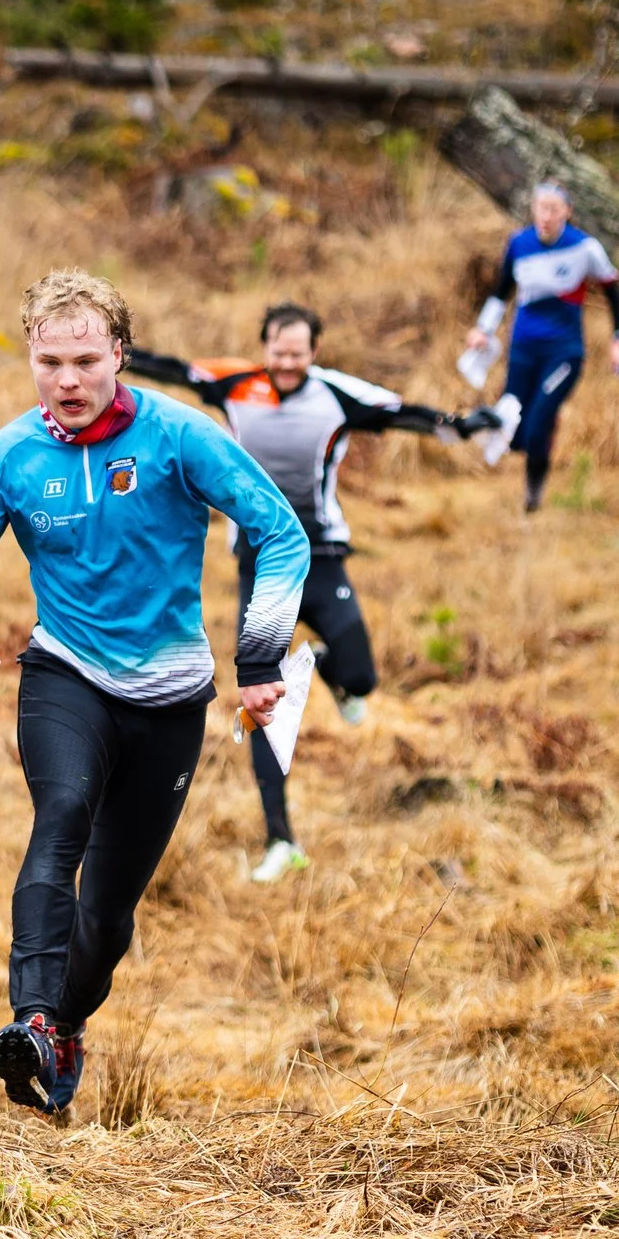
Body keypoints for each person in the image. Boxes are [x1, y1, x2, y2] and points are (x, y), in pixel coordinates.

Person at [0, 270, 309, 1119]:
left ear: (119, 355)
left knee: (106, 912)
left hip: (171, 698)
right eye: (50, 360)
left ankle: (64, 1023)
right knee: (60, 816)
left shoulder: (178, 436)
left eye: (87, 360)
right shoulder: (8, 458)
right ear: (29, 357)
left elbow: (281, 532)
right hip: (66, 674)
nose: (68, 381)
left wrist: (258, 653)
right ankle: (28, 1018)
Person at [128, 304, 491, 883]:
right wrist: (116, 356)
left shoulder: (336, 396)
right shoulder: (235, 383)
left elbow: (403, 415)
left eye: (299, 353)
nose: (288, 363)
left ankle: (324, 667)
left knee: (365, 679)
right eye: (279, 352)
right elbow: (173, 370)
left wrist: (466, 425)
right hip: (261, 566)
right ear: (265, 346)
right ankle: (281, 840)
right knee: (262, 704)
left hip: (321, 556)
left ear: (314, 352)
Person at [461, 181, 619, 512]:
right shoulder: (519, 244)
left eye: (554, 209)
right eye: (541, 207)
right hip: (523, 347)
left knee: (539, 422)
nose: (547, 216)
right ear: (533, 209)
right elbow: (501, 291)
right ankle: (481, 431)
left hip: (564, 352)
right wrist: (483, 330)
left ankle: (533, 497)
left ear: (567, 212)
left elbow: (613, 291)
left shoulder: (585, 248)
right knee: (515, 430)